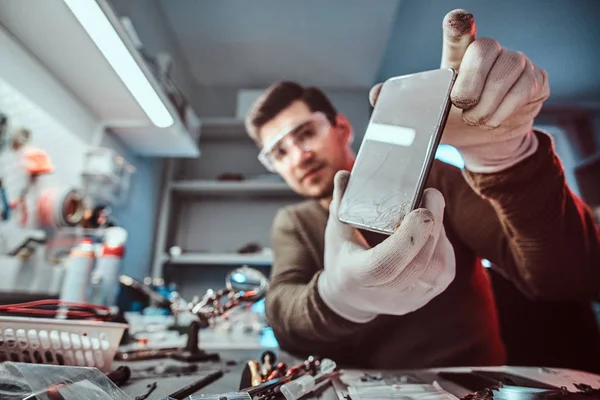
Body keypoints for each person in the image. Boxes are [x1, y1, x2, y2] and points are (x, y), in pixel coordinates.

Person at [244, 9, 600, 369]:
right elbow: (283, 317)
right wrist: (334, 299)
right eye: (279, 152)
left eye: (305, 133)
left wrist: (508, 161)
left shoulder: (436, 180)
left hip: (467, 386)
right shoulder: (293, 221)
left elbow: (568, 277)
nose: (299, 155)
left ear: (341, 127)